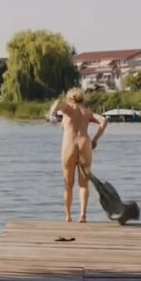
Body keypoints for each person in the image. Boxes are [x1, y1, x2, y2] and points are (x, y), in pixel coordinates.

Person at [47, 88, 108, 223]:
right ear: (82, 99)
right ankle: (82, 215)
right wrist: (95, 139)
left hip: (69, 143)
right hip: (84, 144)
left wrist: (51, 114)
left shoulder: (68, 108)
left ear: (69, 98)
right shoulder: (87, 112)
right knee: (84, 183)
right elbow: (104, 120)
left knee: (68, 183)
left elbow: (57, 103)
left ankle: (68, 216)